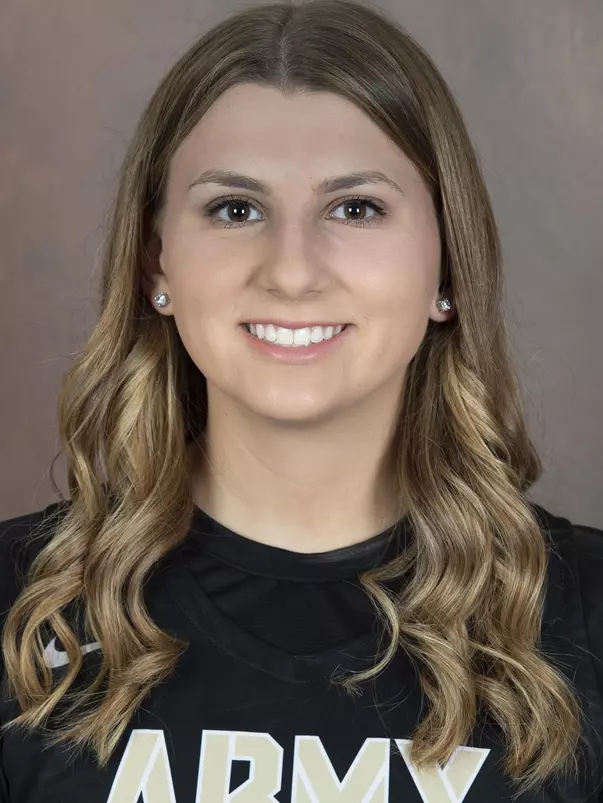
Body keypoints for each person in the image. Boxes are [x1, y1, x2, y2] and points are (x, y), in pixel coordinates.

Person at [1, 0, 602, 800]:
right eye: (234, 209)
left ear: (447, 268)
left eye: (355, 208)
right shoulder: (20, 609)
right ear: (157, 267)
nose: (290, 270)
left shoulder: (585, 617)